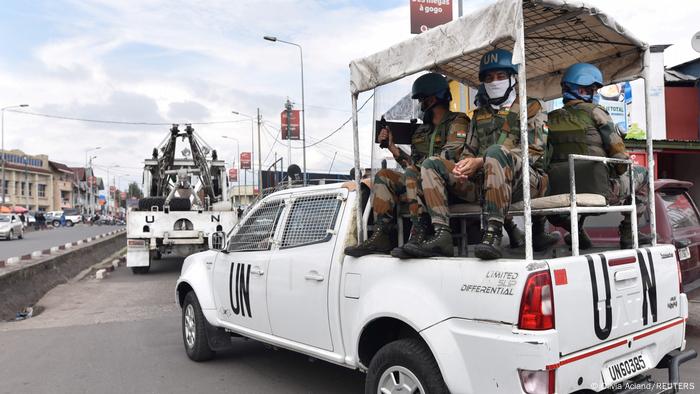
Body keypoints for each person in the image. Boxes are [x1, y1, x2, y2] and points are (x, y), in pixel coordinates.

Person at [443, 49, 555, 260]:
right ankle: (438, 233)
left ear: (513, 78)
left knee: (495, 152)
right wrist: (463, 167)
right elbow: (468, 151)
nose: (495, 81)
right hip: (488, 182)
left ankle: (493, 233)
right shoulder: (479, 115)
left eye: (501, 76)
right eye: (489, 78)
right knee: (439, 166)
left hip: (527, 181)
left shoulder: (531, 107)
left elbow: (534, 152)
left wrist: (481, 160)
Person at [344, 72, 470, 258]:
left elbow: (449, 157)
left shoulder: (458, 121)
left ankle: (419, 232)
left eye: (421, 99)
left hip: (451, 184)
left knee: (417, 170)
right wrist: (393, 148)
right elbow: (413, 164)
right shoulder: (421, 131)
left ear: (433, 99)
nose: (419, 105)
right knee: (385, 176)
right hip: (421, 182)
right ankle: (381, 235)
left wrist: (417, 168)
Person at [546, 63, 651, 249]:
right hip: (600, 191)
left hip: (559, 190)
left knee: (578, 184)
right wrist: (618, 167)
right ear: (582, 90)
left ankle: (577, 233)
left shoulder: (550, 118)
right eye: (592, 89)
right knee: (644, 174)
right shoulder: (597, 112)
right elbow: (619, 158)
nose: (594, 93)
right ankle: (628, 232)